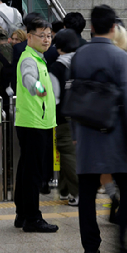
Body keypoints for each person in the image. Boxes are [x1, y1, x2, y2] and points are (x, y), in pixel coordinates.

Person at [70, 5, 127, 253]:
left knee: (87, 192)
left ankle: (90, 248)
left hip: (87, 134)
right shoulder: (120, 57)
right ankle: (121, 240)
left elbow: (73, 96)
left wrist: (76, 132)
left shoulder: (79, 55)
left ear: (91, 28)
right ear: (113, 29)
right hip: (116, 135)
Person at [14, 18, 59, 233]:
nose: (46, 39)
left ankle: (22, 213)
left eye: (49, 35)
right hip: (34, 123)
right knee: (33, 172)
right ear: (29, 36)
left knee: (26, 169)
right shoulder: (29, 59)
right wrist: (38, 88)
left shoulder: (38, 58)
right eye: (42, 35)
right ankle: (32, 217)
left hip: (34, 122)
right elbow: (28, 79)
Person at [48, 29, 80, 207]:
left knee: (66, 152)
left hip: (64, 117)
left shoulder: (56, 67)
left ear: (59, 47)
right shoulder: (82, 62)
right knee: (71, 153)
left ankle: (76, 191)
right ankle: (64, 189)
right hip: (83, 116)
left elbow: (55, 96)